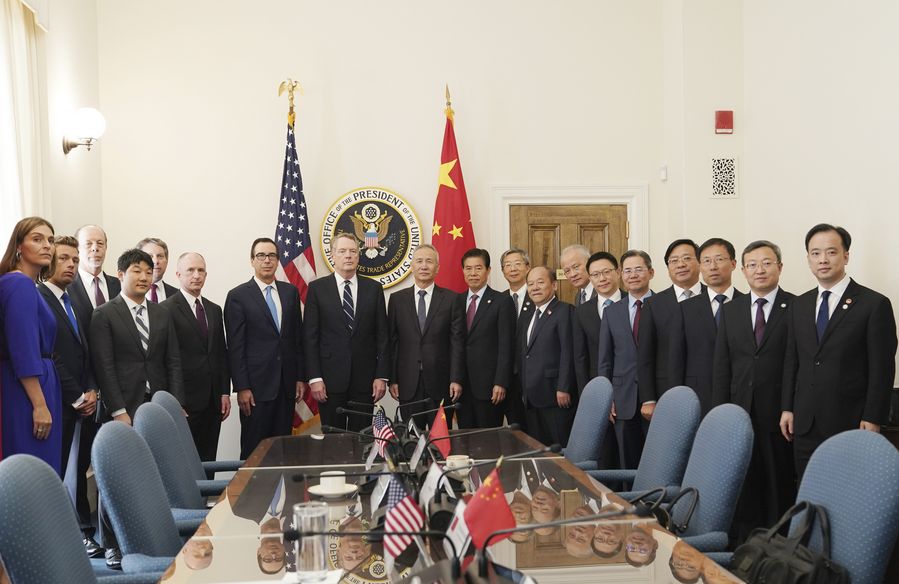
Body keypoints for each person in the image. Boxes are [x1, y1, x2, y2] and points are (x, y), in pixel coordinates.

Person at [780, 224, 897, 478]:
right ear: (808, 259)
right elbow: (792, 360)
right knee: (808, 489)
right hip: (805, 422)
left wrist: (873, 416)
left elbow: (883, 368)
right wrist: (787, 407)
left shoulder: (873, 304)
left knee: (848, 489)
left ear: (846, 256)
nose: (823, 259)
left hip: (851, 420)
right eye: (815, 253)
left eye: (831, 252)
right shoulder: (799, 304)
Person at [713, 240, 795, 539]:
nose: (759, 270)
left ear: (780, 267)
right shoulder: (731, 310)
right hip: (739, 411)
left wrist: (789, 406)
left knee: (777, 483)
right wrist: (720, 414)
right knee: (742, 482)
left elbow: (796, 363)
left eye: (766, 263)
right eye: (752, 265)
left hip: (778, 414)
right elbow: (722, 365)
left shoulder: (796, 306)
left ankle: (777, 544)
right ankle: (744, 545)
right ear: (743, 270)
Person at [37, 235, 102, 556]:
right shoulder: (39, 298)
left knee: (75, 473)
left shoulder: (72, 300)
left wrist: (91, 390)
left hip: (82, 401)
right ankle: (64, 541)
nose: (71, 265)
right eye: (64, 258)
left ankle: (79, 534)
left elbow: (85, 351)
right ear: (48, 260)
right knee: (57, 475)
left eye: (75, 260)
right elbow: (49, 354)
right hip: (57, 401)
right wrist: (77, 396)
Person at [224, 238, 305, 457]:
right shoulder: (238, 296)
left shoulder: (290, 292)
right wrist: (242, 387)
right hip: (255, 390)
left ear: (278, 260)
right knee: (254, 452)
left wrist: (299, 377)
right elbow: (235, 347)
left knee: (282, 450)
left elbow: (296, 339)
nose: (267, 260)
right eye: (261, 255)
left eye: (271, 256)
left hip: (286, 386)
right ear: (252, 260)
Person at [304, 233, 388, 431]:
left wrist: (382, 376)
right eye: (342, 251)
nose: (348, 255)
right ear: (333, 255)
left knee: (362, 438)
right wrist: (315, 378)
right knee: (333, 440)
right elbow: (310, 337)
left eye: (352, 251)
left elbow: (382, 337)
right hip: (329, 382)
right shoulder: (317, 289)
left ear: (358, 255)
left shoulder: (374, 288)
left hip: (365, 382)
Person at [90, 248, 184, 423]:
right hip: (125, 406)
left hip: (159, 403)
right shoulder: (104, 314)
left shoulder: (162, 313)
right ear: (121, 275)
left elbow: (174, 361)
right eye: (137, 271)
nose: (144, 277)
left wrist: (176, 403)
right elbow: (104, 367)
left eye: (148, 272)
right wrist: (118, 410)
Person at [0, 216, 62, 473]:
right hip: (28, 389)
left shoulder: (22, 284)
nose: (47, 245)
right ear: (18, 246)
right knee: (35, 472)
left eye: (50, 240)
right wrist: (39, 404)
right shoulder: (19, 284)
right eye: (37, 239)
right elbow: (23, 349)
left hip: (29, 382)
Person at [162, 252, 230, 462]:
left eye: (201, 270)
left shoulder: (214, 309)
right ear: (178, 274)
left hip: (213, 401)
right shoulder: (166, 309)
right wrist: (176, 400)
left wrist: (224, 392)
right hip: (185, 402)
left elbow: (221, 353)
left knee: (209, 459)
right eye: (190, 270)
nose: (196, 275)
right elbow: (167, 359)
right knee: (186, 463)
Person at [387, 244, 464, 425]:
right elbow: (392, 342)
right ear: (411, 266)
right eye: (419, 261)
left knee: (441, 438)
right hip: (407, 383)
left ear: (437, 268)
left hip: (442, 383)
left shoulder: (452, 299)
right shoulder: (397, 300)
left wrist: (456, 378)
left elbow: (457, 343)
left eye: (429, 261)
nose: (424, 266)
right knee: (411, 438)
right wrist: (393, 379)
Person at [669, 238, 743, 415]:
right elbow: (676, 360)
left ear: (733, 264)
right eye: (706, 261)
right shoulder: (685, 309)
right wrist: (675, 400)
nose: (713, 266)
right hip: (696, 396)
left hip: (739, 395)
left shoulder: (746, 305)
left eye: (719, 259)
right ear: (700, 266)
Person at [598, 250, 654, 469]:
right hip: (622, 398)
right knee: (627, 462)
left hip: (657, 398)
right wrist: (607, 397)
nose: (633, 275)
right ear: (621, 275)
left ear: (651, 272)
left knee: (658, 461)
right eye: (628, 270)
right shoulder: (612, 312)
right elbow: (605, 359)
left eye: (638, 269)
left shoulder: (664, 305)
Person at [637, 239, 703, 420]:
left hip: (707, 388)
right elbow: (645, 354)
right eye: (673, 261)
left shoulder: (714, 297)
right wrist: (648, 398)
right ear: (667, 268)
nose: (680, 264)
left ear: (699, 262)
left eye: (687, 258)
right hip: (665, 390)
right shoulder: (654, 304)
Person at [454, 248, 515, 429]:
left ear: (488, 270)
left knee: (489, 438)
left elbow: (506, 345)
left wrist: (501, 382)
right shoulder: (455, 301)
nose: (473, 273)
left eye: (478, 268)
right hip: (461, 387)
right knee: (464, 438)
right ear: (463, 271)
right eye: (468, 268)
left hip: (490, 387)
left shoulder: (502, 301)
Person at [573, 251, 623, 470]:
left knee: (631, 452)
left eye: (606, 272)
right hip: (597, 390)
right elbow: (580, 358)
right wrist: (589, 397)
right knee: (603, 453)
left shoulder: (635, 304)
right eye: (595, 275)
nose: (602, 279)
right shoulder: (582, 311)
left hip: (630, 391)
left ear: (618, 272)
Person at [517, 266, 575, 446]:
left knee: (559, 450)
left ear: (554, 285)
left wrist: (564, 387)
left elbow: (568, 351)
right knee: (538, 449)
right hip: (531, 396)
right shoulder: (528, 316)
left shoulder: (565, 311)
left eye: (540, 282)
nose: (535, 288)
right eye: (530, 284)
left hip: (555, 395)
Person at [500, 248, 532, 428]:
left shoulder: (537, 295)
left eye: (517, 264)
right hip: (507, 379)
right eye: (508, 265)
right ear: (503, 271)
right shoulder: (499, 300)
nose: (513, 269)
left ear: (527, 267)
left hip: (532, 377)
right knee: (515, 430)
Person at [69, 225, 120, 329]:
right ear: (77, 249)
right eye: (88, 244)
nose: (95, 248)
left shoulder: (120, 285)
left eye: (100, 243)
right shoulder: (67, 287)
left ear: (106, 247)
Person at [136, 237, 179, 303]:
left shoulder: (177, 295)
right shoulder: (126, 292)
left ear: (167, 261)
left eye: (160, 256)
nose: (155, 261)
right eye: (150, 256)